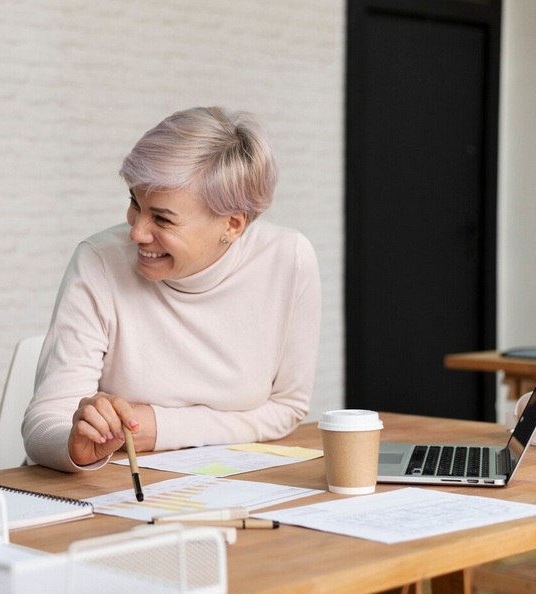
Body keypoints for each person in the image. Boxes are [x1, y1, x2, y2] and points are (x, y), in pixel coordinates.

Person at [22, 106, 321, 472]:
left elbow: (288, 408)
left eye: (162, 218)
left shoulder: (288, 260)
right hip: (111, 486)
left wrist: (160, 427)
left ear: (233, 224)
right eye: (135, 203)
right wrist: (73, 446)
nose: (137, 232)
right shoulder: (100, 262)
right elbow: (42, 426)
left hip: (229, 483)